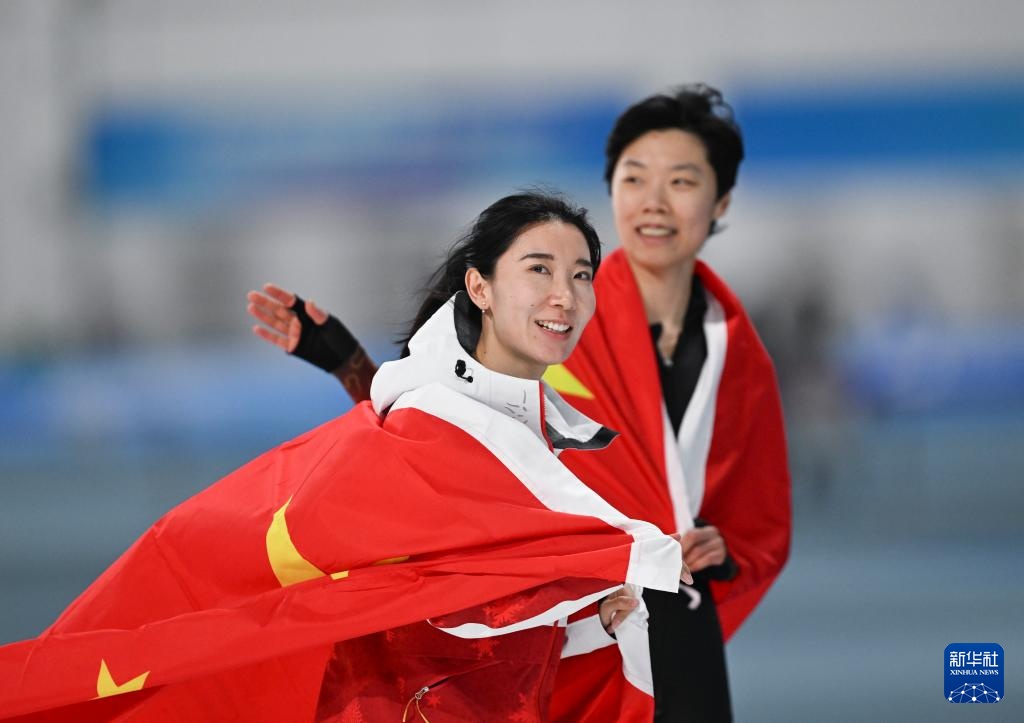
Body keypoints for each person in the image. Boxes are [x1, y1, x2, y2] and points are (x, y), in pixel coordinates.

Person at [0, 192, 688, 722]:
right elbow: (441, 490)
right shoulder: (457, 426)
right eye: (539, 269)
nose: (564, 295)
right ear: (479, 287)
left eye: (581, 275)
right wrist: (629, 553)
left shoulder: (530, 435)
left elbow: (452, 503)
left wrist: (592, 611)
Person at [249, 85, 791, 722]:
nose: (654, 200)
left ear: (721, 201)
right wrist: (353, 368)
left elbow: (756, 519)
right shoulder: (549, 324)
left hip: (651, 618)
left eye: (682, 181)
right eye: (635, 177)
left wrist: (719, 552)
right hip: (544, 635)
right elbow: (437, 435)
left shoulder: (735, 351)